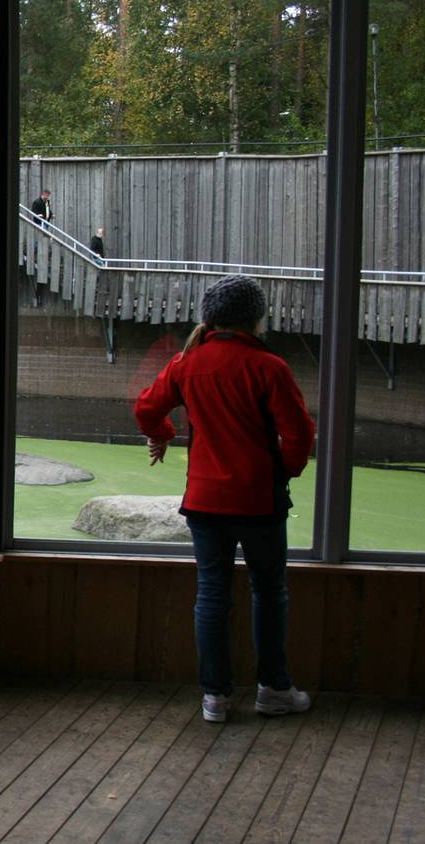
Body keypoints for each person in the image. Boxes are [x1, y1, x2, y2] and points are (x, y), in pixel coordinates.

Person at [135, 275, 316, 724]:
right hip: (259, 502)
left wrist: (163, 435)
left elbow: (146, 409)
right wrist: (282, 471)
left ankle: (214, 697)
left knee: (212, 596)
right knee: (269, 593)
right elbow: (300, 434)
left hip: (204, 501)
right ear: (255, 318)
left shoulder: (187, 363)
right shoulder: (269, 367)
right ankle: (273, 689)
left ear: (210, 317)